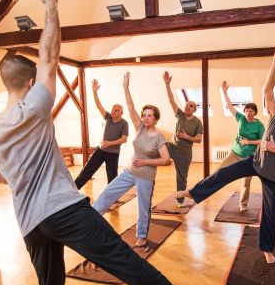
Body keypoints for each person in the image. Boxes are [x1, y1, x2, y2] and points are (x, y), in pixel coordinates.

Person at [0, 0, 184, 285]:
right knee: (125, 261)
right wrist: (51, 6)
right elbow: (49, 55)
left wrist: (21, 179)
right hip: (62, 209)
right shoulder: (35, 108)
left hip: (30, 221)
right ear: (31, 84)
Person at [175, 42, 275, 264]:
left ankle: (267, 248)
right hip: (255, 162)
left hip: (274, 176)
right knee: (223, 174)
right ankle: (194, 194)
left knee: (270, 213)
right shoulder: (274, 115)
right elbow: (267, 90)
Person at [93, 72, 171, 248]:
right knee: (108, 193)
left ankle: (142, 236)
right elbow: (130, 107)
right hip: (129, 172)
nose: (145, 118)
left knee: (143, 208)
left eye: (149, 115)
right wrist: (125, 87)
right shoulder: (140, 128)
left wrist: (146, 162)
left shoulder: (159, 137)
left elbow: (166, 159)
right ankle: (91, 220)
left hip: (145, 176)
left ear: (156, 118)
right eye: (144, 115)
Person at [218, 81, 265, 212]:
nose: (248, 113)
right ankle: (206, 189)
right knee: (219, 170)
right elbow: (229, 106)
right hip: (235, 153)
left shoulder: (259, 125)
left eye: (251, 111)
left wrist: (248, 142)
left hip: (249, 157)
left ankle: (243, 204)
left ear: (255, 113)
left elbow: (262, 141)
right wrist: (224, 92)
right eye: (246, 111)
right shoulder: (240, 119)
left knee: (246, 182)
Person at [74, 79, 128, 189]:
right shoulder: (108, 117)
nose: (113, 111)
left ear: (121, 113)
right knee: (87, 170)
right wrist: (94, 91)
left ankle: (113, 196)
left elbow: (124, 139)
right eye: (112, 109)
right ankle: (73, 190)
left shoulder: (124, 123)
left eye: (116, 110)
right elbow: (99, 105)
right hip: (101, 150)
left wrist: (110, 143)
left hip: (113, 153)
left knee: (112, 176)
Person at [162, 71, 203, 208]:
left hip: (185, 153)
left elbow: (198, 140)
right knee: (160, 144)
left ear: (195, 109)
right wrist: (167, 85)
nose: (187, 107)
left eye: (191, 106)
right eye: (186, 104)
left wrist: (186, 137)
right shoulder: (180, 115)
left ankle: (180, 201)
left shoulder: (197, 122)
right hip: (172, 146)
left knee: (181, 178)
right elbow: (171, 100)